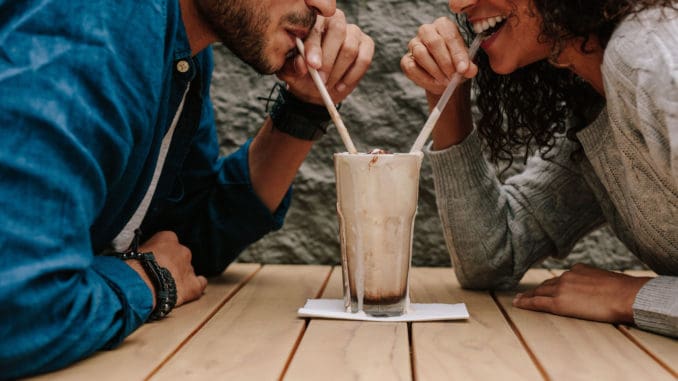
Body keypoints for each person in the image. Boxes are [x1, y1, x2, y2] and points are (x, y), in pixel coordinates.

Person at [0, 0, 374, 378]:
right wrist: (150, 280)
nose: (324, 6)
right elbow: (18, 308)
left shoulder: (184, 54)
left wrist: (305, 107)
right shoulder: (98, 18)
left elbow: (186, 245)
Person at [401, 0, 677, 337]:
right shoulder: (594, 104)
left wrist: (632, 295)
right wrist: (447, 99)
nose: (459, 3)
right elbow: (494, 256)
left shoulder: (650, 54)